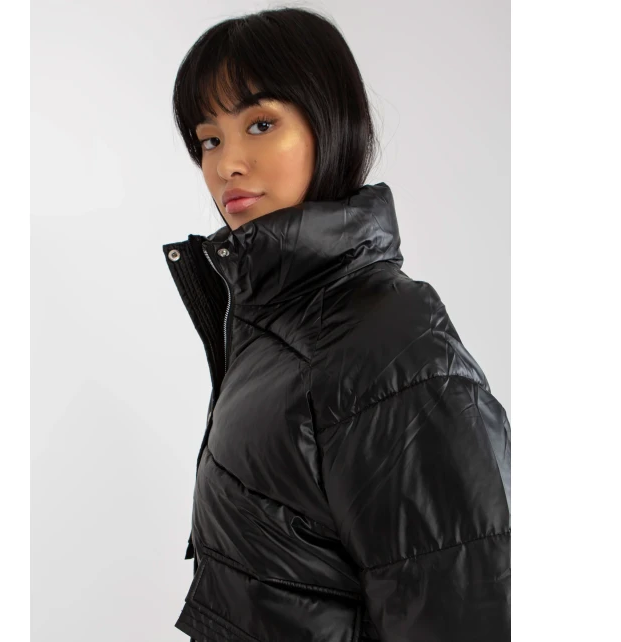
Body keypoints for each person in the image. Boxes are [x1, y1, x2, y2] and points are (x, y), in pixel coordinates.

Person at [163, 7, 511, 642]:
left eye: (260, 124)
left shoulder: (392, 346)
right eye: (209, 139)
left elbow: (465, 609)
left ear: (330, 125)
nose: (226, 164)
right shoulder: (269, 319)